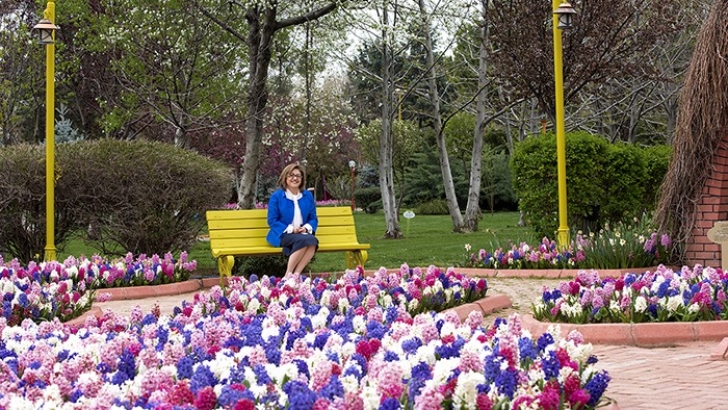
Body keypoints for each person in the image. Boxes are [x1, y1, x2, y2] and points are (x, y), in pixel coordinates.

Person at [266, 163, 319, 276]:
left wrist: (305, 228)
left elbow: (313, 218)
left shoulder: (307, 196)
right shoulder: (277, 196)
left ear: (302, 179)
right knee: (304, 240)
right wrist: (291, 229)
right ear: (285, 177)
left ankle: (296, 274)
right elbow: (272, 220)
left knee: (313, 241)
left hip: (302, 234)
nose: (295, 178)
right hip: (283, 234)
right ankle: (288, 274)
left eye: (298, 176)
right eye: (291, 175)